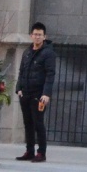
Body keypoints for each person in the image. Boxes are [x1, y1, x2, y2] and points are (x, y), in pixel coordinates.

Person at [16, 22, 56, 162]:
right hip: (25, 93)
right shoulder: (27, 52)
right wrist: (18, 89)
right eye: (35, 34)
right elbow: (21, 72)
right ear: (31, 36)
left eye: (40, 35)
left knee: (38, 123)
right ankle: (29, 151)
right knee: (28, 124)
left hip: (39, 95)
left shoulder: (48, 53)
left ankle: (41, 153)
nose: (37, 37)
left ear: (44, 36)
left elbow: (50, 74)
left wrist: (46, 94)